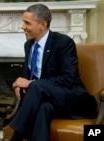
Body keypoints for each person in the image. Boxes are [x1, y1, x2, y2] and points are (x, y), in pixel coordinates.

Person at [10, 4, 97, 141]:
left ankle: (15, 137)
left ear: (43, 24)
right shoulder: (29, 45)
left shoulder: (63, 43)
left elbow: (68, 79)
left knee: (36, 86)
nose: (23, 26)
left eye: (27, 23)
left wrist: (31, 84)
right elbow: (31, 76)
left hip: (72, 98)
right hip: (47, 100)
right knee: (44, 108)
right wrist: (22, 85)